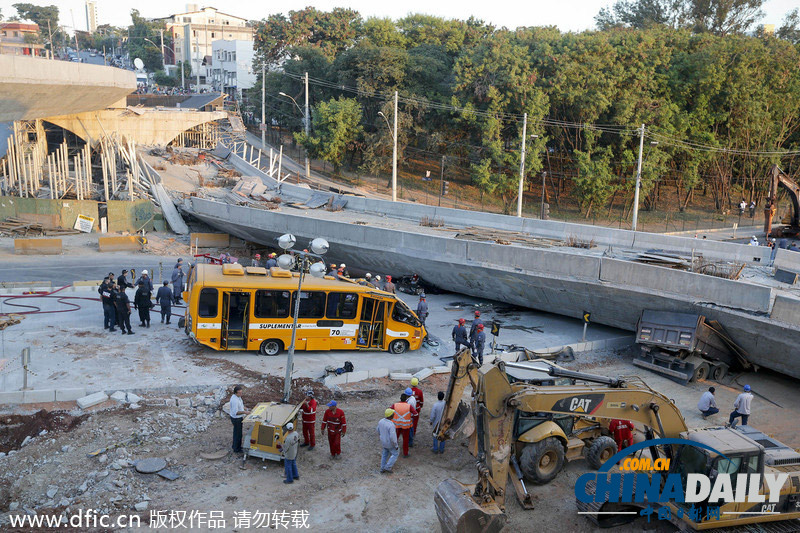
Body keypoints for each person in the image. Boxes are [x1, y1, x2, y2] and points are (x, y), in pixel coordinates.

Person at [391, 393, 416, 457]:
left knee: (395, 438)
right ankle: (405, 453)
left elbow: (389, 410)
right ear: (406, 399)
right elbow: (415, 414)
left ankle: (392, 451)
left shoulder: (395, 405)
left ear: (400, 398)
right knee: (405, 440)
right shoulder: (409, 406)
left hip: (397, 425)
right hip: (406, 426)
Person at [377, 408, 400, 473]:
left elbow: (378, 430)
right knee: (395, 454)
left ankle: (382, 468)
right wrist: (396, 445)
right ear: (391, 416)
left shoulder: (381, 421)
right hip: (390, 443)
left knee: (384, 454)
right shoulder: (391, 425)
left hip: (383, 441)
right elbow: (393, 437)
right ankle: (388, 467)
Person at [229, 386, 250, 454]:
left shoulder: (238, 397)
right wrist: (245, 412)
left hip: (238, 418)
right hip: (236, 419)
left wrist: (244, 408)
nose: (241, 394)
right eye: (239, 393)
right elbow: (236, 412)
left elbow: (240, 405)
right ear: (235, 393)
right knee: (238, 434)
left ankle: (235, 446)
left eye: (241, 392)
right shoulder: (234, 400)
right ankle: (237, 449)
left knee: (237, 433)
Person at [410, 378, 424, 445]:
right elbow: (421, 401)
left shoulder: (409, 391)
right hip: (417, 409)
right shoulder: (419, 391)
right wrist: (420, 406)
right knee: (415, 422)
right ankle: (413, 433)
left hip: (409, 409)